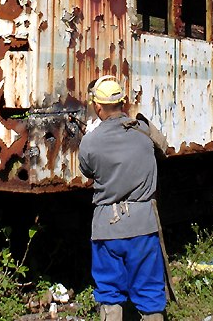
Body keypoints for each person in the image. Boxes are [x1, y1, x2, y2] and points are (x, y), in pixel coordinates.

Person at [79, 75, 166, 321]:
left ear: (97, 106)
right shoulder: (143, 131)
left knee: (109, 291)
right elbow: (165, 149)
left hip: (107, 228)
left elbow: (87, 171)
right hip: (143, 226)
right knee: (149, 290)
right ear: (123, 102)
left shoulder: (89, 142)